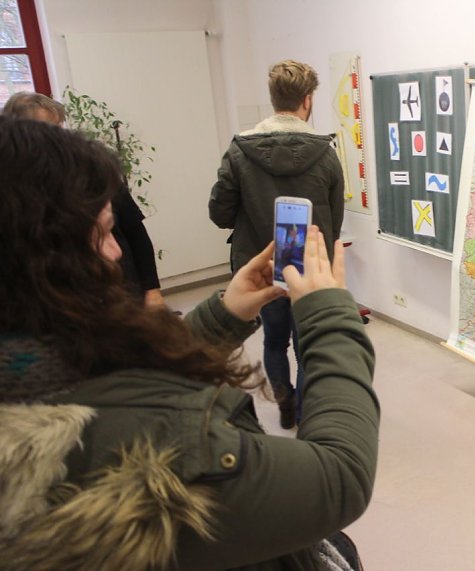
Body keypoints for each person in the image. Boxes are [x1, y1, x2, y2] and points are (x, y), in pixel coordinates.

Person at [0, 116, 378, 570]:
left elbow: (119, 378)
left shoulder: (33, 366)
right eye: (103, 231)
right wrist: (330, 314)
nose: (117, 251)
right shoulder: (157, 446)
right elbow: (340, 477)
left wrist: (225, 313)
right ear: (42, 255)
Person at [209, 59, 345, 429]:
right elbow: (334, 221)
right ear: (307, 99)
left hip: (260, 268)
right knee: (306, 346)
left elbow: (220, 213)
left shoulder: (239, 152)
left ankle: (284, 401)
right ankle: (304, 415)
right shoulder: (327, 153)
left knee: (273, 340)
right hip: (310, 269)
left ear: (273, 98)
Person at [2, 91, 165, 307]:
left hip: (123, 289)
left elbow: (135, 231)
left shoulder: (96, 171)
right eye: (48, 130)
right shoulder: (14, 197)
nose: (58, 138)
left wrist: (151, 289)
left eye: (58, 127)